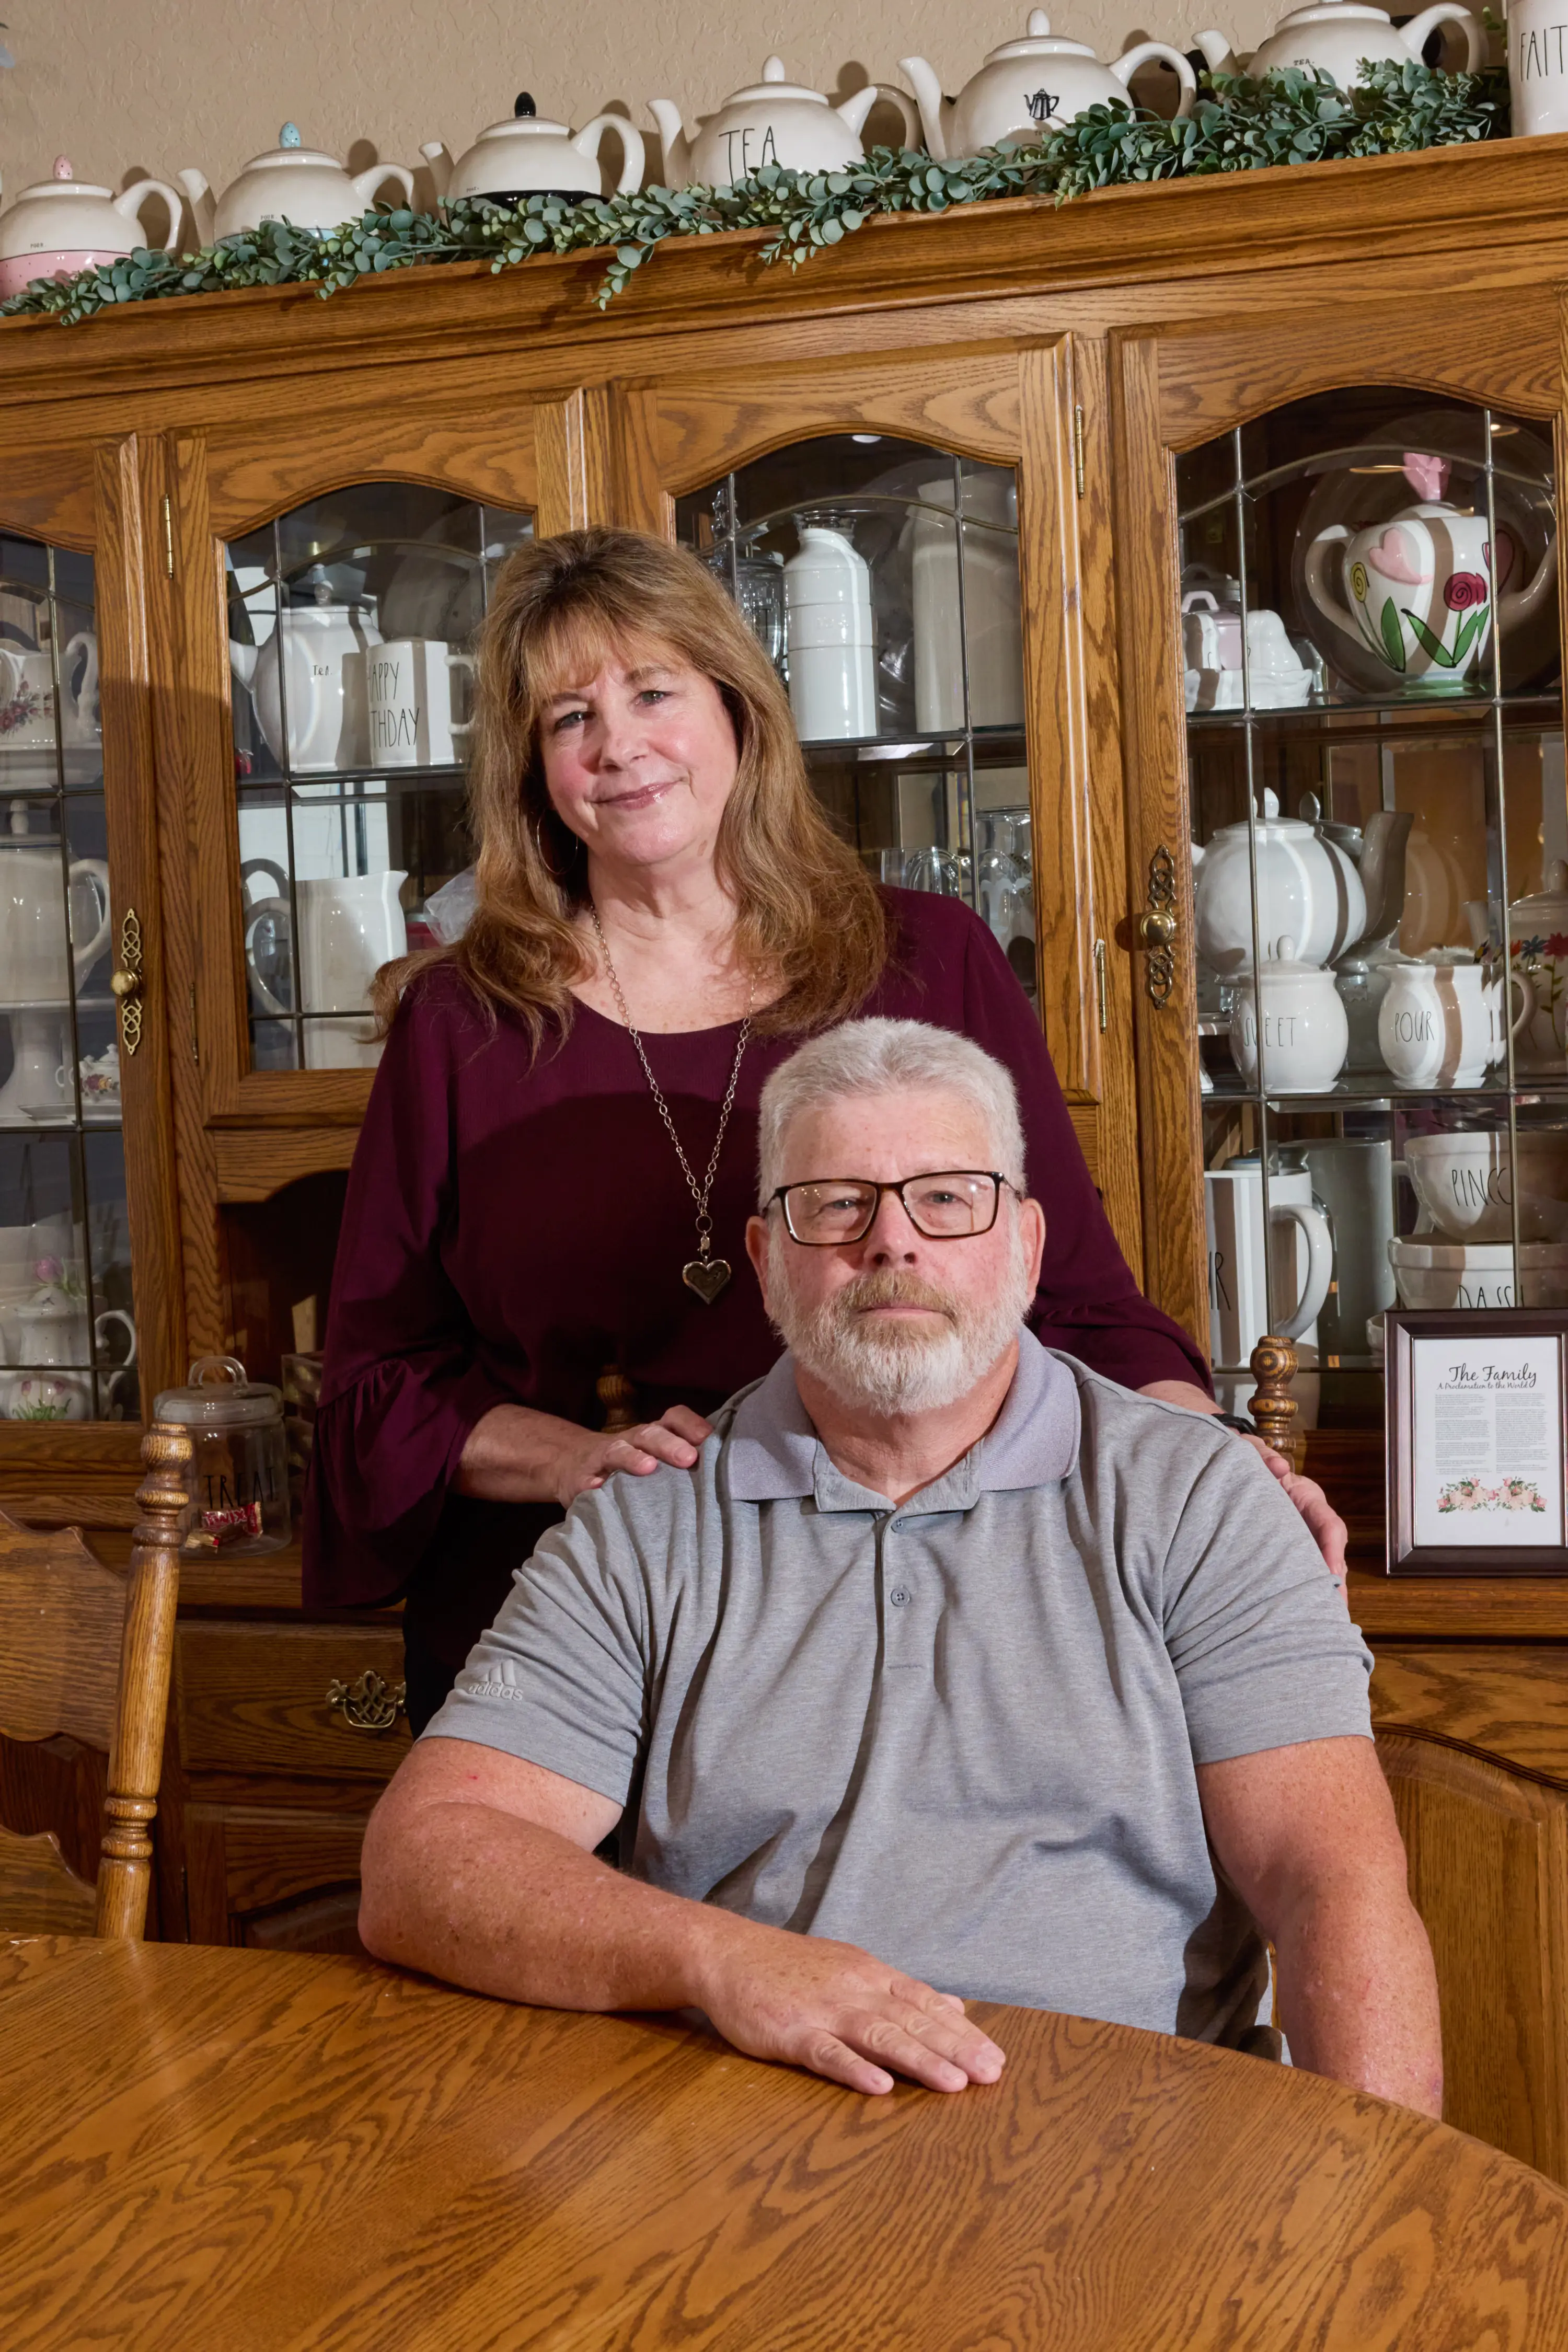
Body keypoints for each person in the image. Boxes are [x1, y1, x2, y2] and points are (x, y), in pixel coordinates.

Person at [305, 528, 1346, 1733]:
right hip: (570, 1616)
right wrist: (575, 1463)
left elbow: (1074, 1303)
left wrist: (1230, 1466)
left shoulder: (928, 956)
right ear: (531, 768)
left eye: (654, 693)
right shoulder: (460, 1019)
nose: (619, 746)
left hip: (917, 1609)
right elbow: (377, 1386)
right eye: (567, 718)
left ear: (739, 710)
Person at [359, 1020, 1439, 2114]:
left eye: (947, 1197)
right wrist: (723, 1960)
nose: (893, 1244)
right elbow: (423, 1861)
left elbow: (1333, 1888)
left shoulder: (1200, 1503)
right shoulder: (648, 1523)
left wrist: (1382, 2228)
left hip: (1131, 2153)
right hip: (746, 2151)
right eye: (836, 1204)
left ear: (1025, 1245)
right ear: (768, 1258)